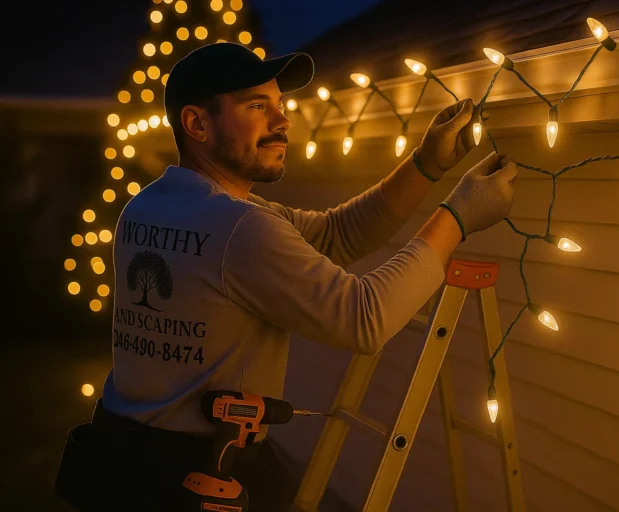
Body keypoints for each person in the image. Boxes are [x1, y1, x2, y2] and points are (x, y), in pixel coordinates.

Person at [55, 42, 518, 511]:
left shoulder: (147, 207)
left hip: (121, 460)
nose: (282, 122)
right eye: (257, 107)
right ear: (197, 124)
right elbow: (366, 318)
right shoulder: (238, 227)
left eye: (280, 104)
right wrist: (458, 217)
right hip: (198, 478)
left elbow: (338, 234)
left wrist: (426, 164)